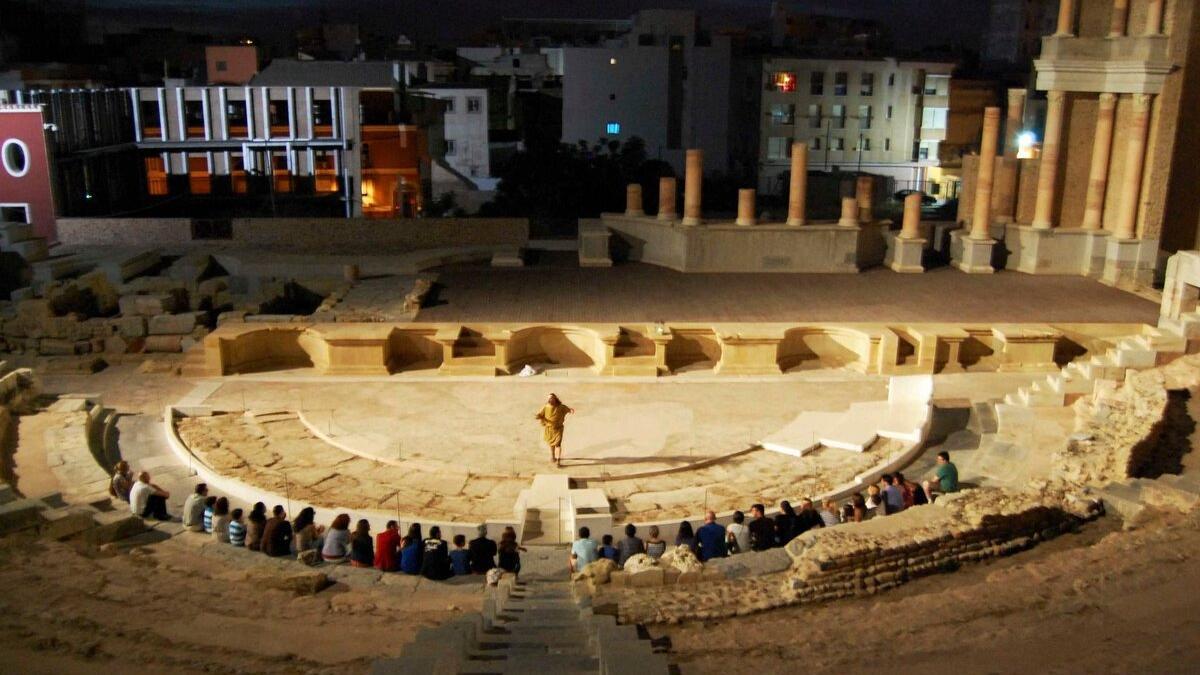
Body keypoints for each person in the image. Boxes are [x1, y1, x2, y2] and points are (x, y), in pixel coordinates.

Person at [535, 393, 575, 466]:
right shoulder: (546, 407)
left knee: (558, 444)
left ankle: (558, 461)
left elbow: (569, 410)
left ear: (555, 399)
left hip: (558, 429)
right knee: (551, 445)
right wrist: (538, 416)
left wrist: (571, 410)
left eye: (552, 399)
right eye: (549, 399)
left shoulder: (561, 407)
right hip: (549, 429)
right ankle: (553, 456)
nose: (550, 400)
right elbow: (540, 415)